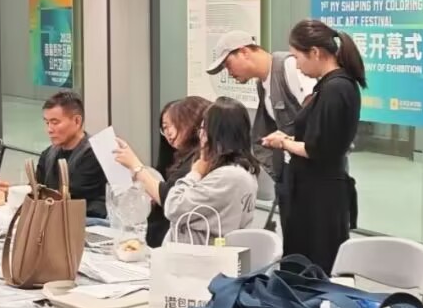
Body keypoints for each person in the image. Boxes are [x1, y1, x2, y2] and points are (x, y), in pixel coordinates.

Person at [262, 19, 364, 274]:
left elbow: (318, 149)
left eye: (298, 57)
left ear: (315, 52)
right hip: (314, 192)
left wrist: (284, 143)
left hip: (321, 198)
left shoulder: (336, 89)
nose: (297, 65)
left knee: (317, 267)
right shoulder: (332, 86)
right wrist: (288, 139)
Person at [207, 30, 317, 235]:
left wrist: (288, 142)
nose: (228, 73)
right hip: (291, 176)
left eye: (228, 64)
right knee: (294, 241)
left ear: (244, 52)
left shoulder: (289, 67)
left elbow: (319, 118)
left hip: (314, 177)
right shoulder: (263, 85)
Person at [114, 96, 210, 247]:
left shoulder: (199, 160)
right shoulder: (181, 158)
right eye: (164, 127)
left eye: (173, 125)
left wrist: (135, 165)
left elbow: (169, 198)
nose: (168, 132)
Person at [163, 97, 259, 244]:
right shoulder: (243, 171)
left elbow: (173, 206)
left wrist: (195, 173)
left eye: (203, 129)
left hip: (197, 255)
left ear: (214, 135)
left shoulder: (228, 177)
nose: (200, 136)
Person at [36, 90, 107, 220]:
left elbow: (72, 197)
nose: (49, 129)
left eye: (55, 122)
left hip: (87, 223)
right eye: (47, 123)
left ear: (77, 121)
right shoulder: (48, 154)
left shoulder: (95, 155)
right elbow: (36, 190)